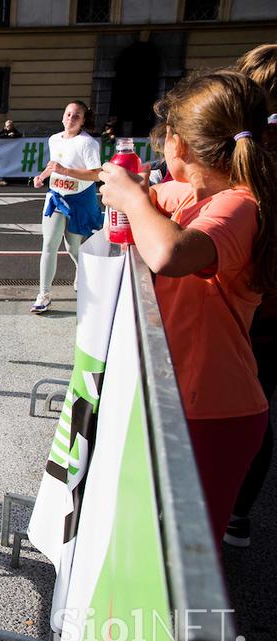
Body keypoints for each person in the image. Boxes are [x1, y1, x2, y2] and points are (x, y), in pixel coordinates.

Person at [99, 69, 276, 546]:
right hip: (187, 403)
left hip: (218, 411)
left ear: (179, 144)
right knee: (157, 550)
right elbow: (162, 199)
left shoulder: (239, 206)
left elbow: (170, 254)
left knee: (190, 559)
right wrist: (136, 194)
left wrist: (134, 198)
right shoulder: (202, 197)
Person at [225, 44, 277, 547]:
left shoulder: (251, 154)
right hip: (262, 299)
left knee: (243, 404)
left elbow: (180, 253)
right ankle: (237, 514)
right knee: (258, 404)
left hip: (253, 301)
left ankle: (226, 512)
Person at [31, 100, 103, 313]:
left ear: (82, 121)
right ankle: (44, 294)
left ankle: (84, 275)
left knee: (73, 247)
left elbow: (96, 174)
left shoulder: (87, 143)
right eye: (68, 114)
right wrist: (42, 177)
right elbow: (54, 165)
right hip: (55, 197)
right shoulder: (54, 139)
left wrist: (66, 171)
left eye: (76, 116)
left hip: (80, 199)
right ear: (63, 116)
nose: (71, 119)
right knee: (49, 244)